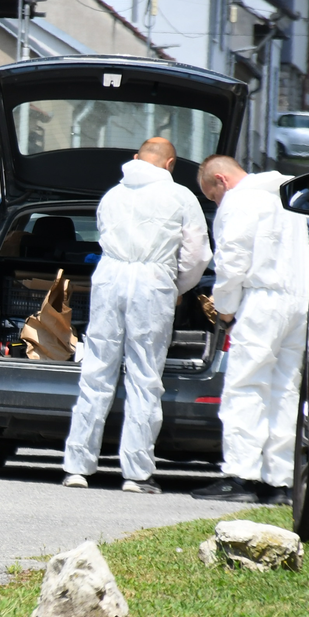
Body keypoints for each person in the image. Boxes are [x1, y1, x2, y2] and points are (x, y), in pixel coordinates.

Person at [61, 137, 209, 494]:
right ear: (170, 164)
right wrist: (176, 286)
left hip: (109, 278)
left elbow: (102, 233)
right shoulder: (180, 196)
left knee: (97, 370)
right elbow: (197, 255)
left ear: (135, 158)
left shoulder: (112, 195)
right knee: (144, 376)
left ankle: (77, 467)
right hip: (152, 282)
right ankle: (136, 473)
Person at [190, 154, 309, 503]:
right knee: (285, 391)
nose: (217, 202)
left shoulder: (240, 200)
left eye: (213, 196)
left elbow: (232, 261)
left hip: (261, 301)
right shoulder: (285, 195)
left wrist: (225, 310)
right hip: (299, 300)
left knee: (245, 387)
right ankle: (280, 482)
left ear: (221, 180)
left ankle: (240, 476)